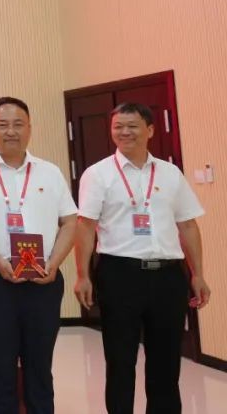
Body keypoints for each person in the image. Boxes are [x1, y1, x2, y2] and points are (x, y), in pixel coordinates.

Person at [74, 102, 211, 414]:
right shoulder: (98, 174)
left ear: (150, 130)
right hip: (120, 274)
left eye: (132, 126)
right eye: (118, 127)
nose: (125, 132)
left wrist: (198, 273)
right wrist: (82, 275)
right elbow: (85, 227)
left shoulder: (170, 173)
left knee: (166, 362)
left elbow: (188, 225)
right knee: (120, 361)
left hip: (167, 276)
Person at [0, 96, 77, 414]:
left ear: (30, 128)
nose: (11, 131)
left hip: (44, 280)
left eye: (18, 124)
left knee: (40, 363)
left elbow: (69, 221)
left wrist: (54, 263)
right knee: (1, 363)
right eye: (3, 125)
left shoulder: (49, 172)